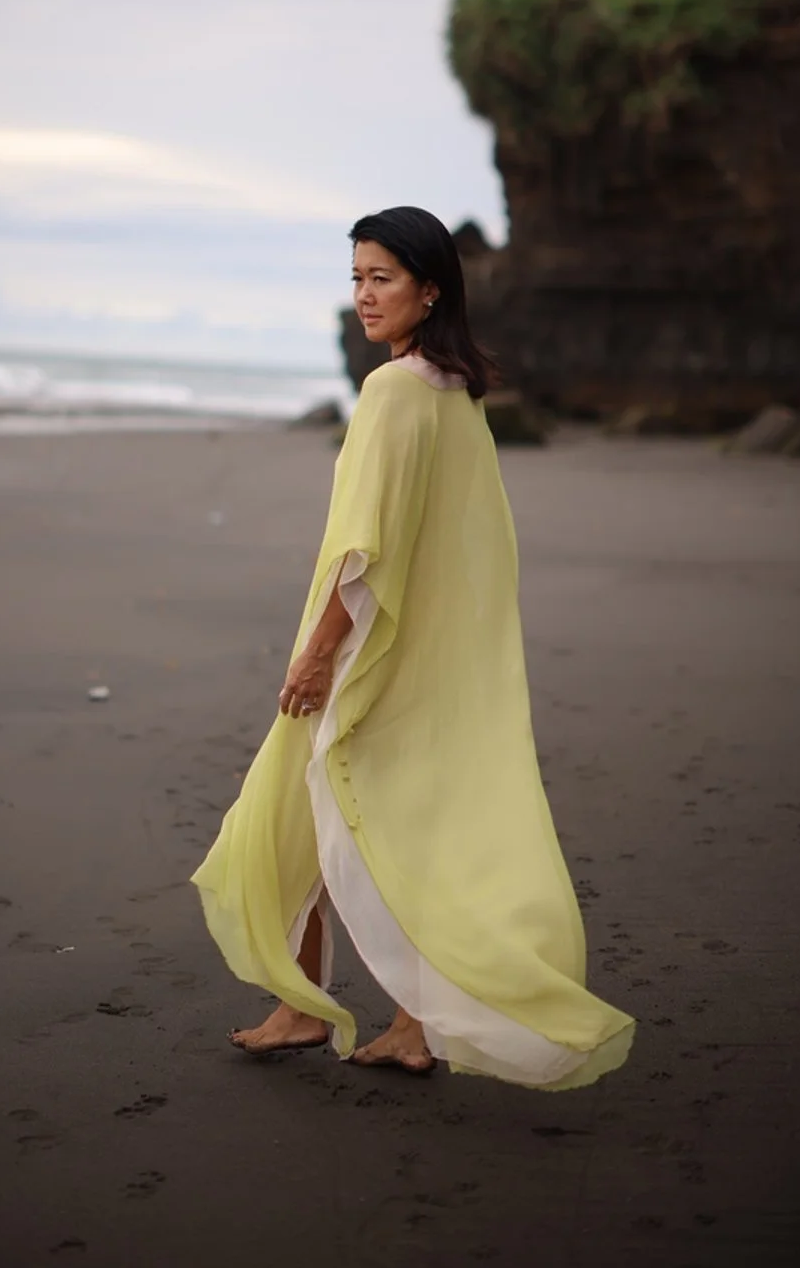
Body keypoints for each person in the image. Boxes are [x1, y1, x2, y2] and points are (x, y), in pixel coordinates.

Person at [191, 206, 634, 1085]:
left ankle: (312, 1010)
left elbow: (366, 547)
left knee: (307, 813)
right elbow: (470, 542)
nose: (363, 295)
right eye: (356, 277)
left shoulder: (395, 392)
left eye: (381, 278)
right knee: (375, 822)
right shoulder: (453, 391)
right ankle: (393, 1023)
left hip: (364, 648)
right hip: (420, 651)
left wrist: (319, 652)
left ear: (431, 290)